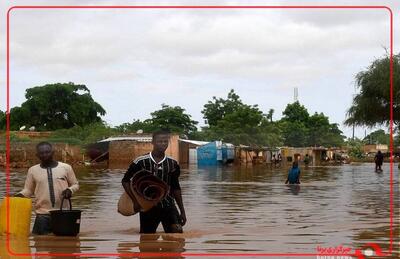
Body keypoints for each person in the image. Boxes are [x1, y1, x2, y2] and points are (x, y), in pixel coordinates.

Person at [122, 130, 186, 234]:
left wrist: (182, 211)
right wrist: (135, 201)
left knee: (177, 239)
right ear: (153, 142)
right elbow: (125, 181)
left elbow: (176, 188)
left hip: (168, 206)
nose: (163, 144)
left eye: (165, 141)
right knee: (146, 240)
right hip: (147, 207)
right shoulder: (140, 161)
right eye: (159, 141)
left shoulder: (173, 164)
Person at [15, 142, 79, 235]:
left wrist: (70, 190)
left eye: (47, 152)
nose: (45, 155)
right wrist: (18, 196)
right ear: (37, 155)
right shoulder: (33, 170)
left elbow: (75, 184)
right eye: (41, 153)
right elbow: (28, 190)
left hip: (63, 214)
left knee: (64, 245)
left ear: (53, 152)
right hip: (42, 215)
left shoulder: (66, 168)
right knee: (40, 244)